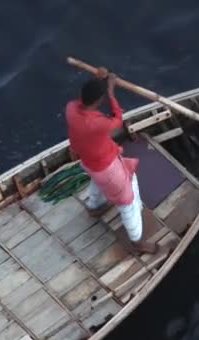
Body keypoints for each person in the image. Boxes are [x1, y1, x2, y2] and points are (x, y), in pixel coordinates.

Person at [65, 68, 157, 254]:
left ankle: (94, 207)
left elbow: (85, 99)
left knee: (97, 181)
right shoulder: (98, 124)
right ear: (99, 100)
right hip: (107, 169)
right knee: (127, 201)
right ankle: (137, 241)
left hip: (89, 162)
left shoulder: (71, 110)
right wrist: (111, 91)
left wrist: (97, 80)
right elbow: (117, 120)